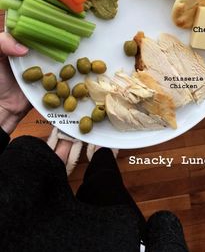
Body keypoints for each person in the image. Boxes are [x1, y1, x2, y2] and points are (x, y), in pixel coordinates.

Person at [0, 32, 189, 252]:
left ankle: (62, 156)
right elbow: (164, 223)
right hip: (110, 234)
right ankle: (99, 151)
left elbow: (165, 224)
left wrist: (6, 110)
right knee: (104, 181)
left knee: (39, 172)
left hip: (16, 185)